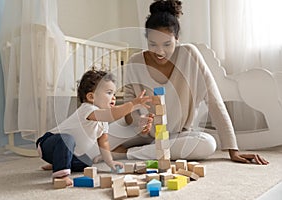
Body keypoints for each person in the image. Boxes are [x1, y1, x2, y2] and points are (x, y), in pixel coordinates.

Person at [104, 0, 269, 165]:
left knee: (208, 144)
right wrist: (137, 121)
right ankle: (152, 150)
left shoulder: (190, 55)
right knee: (99, 139)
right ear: (146, 39)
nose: (160, 52)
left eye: (167, 44)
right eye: (153, 44)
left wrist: (233, 150)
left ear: (177, 38)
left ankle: (128, 154)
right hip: (141, 135)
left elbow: (214, 101)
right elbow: (128, 108)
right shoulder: (134, 62)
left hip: (177, 136)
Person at [35, 70, 152, 186]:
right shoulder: (87, 109)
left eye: (114, 94)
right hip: (49, 143)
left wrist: (110, 162)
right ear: (91, 97)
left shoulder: (103, 122)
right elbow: (113, 114)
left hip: (69, 152)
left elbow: (104, 143)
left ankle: (59, 161)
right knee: (67, 139)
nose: (114, 97)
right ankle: (61, 176)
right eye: (109, 93)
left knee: (86, 162)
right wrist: (133, 104)